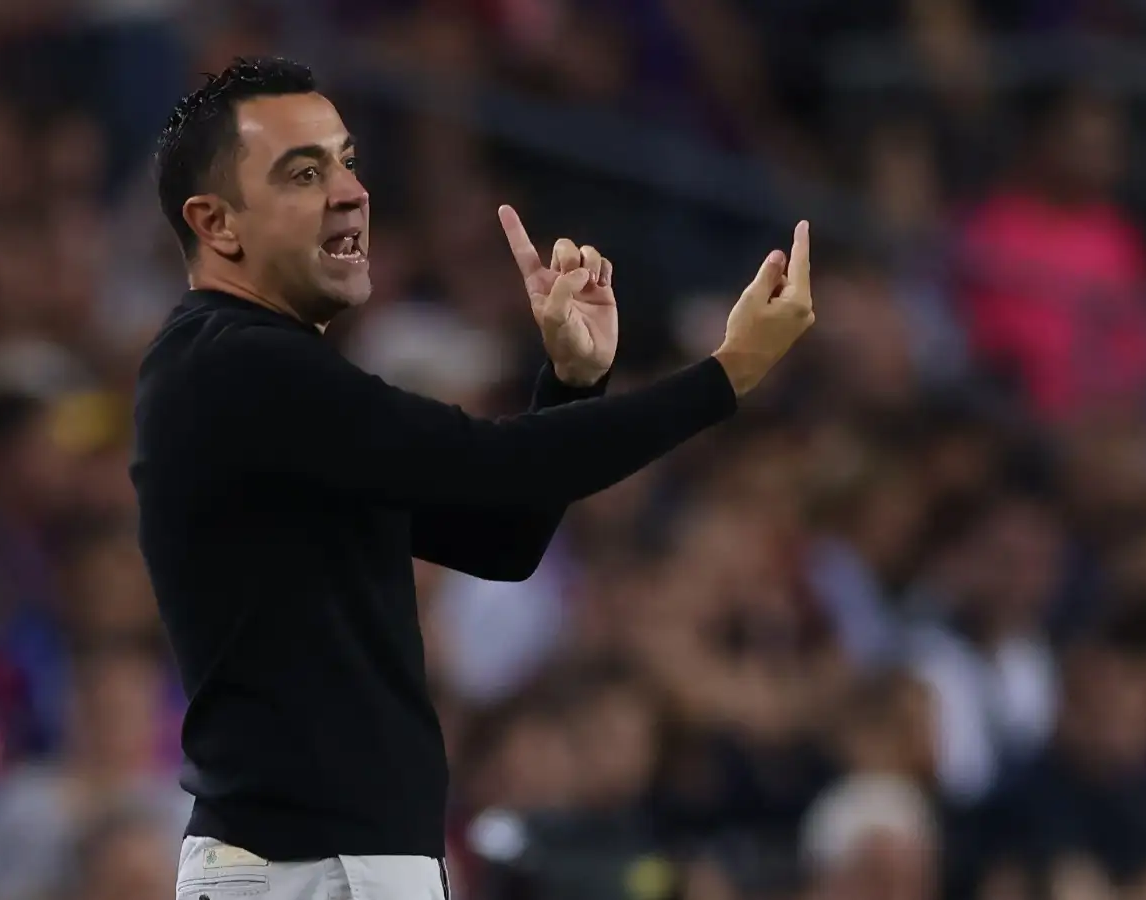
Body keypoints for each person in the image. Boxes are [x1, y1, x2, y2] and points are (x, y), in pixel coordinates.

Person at [132, 56, 816, 900]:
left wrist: (567, 383)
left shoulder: (262, 379)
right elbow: (493, 466)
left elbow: (500, 537)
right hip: (303, 870)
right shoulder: (233, 365)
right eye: (304, 173)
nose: (351, 192)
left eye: (347, 160)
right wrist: (727, 373)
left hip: (334, 864)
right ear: (217, 222)